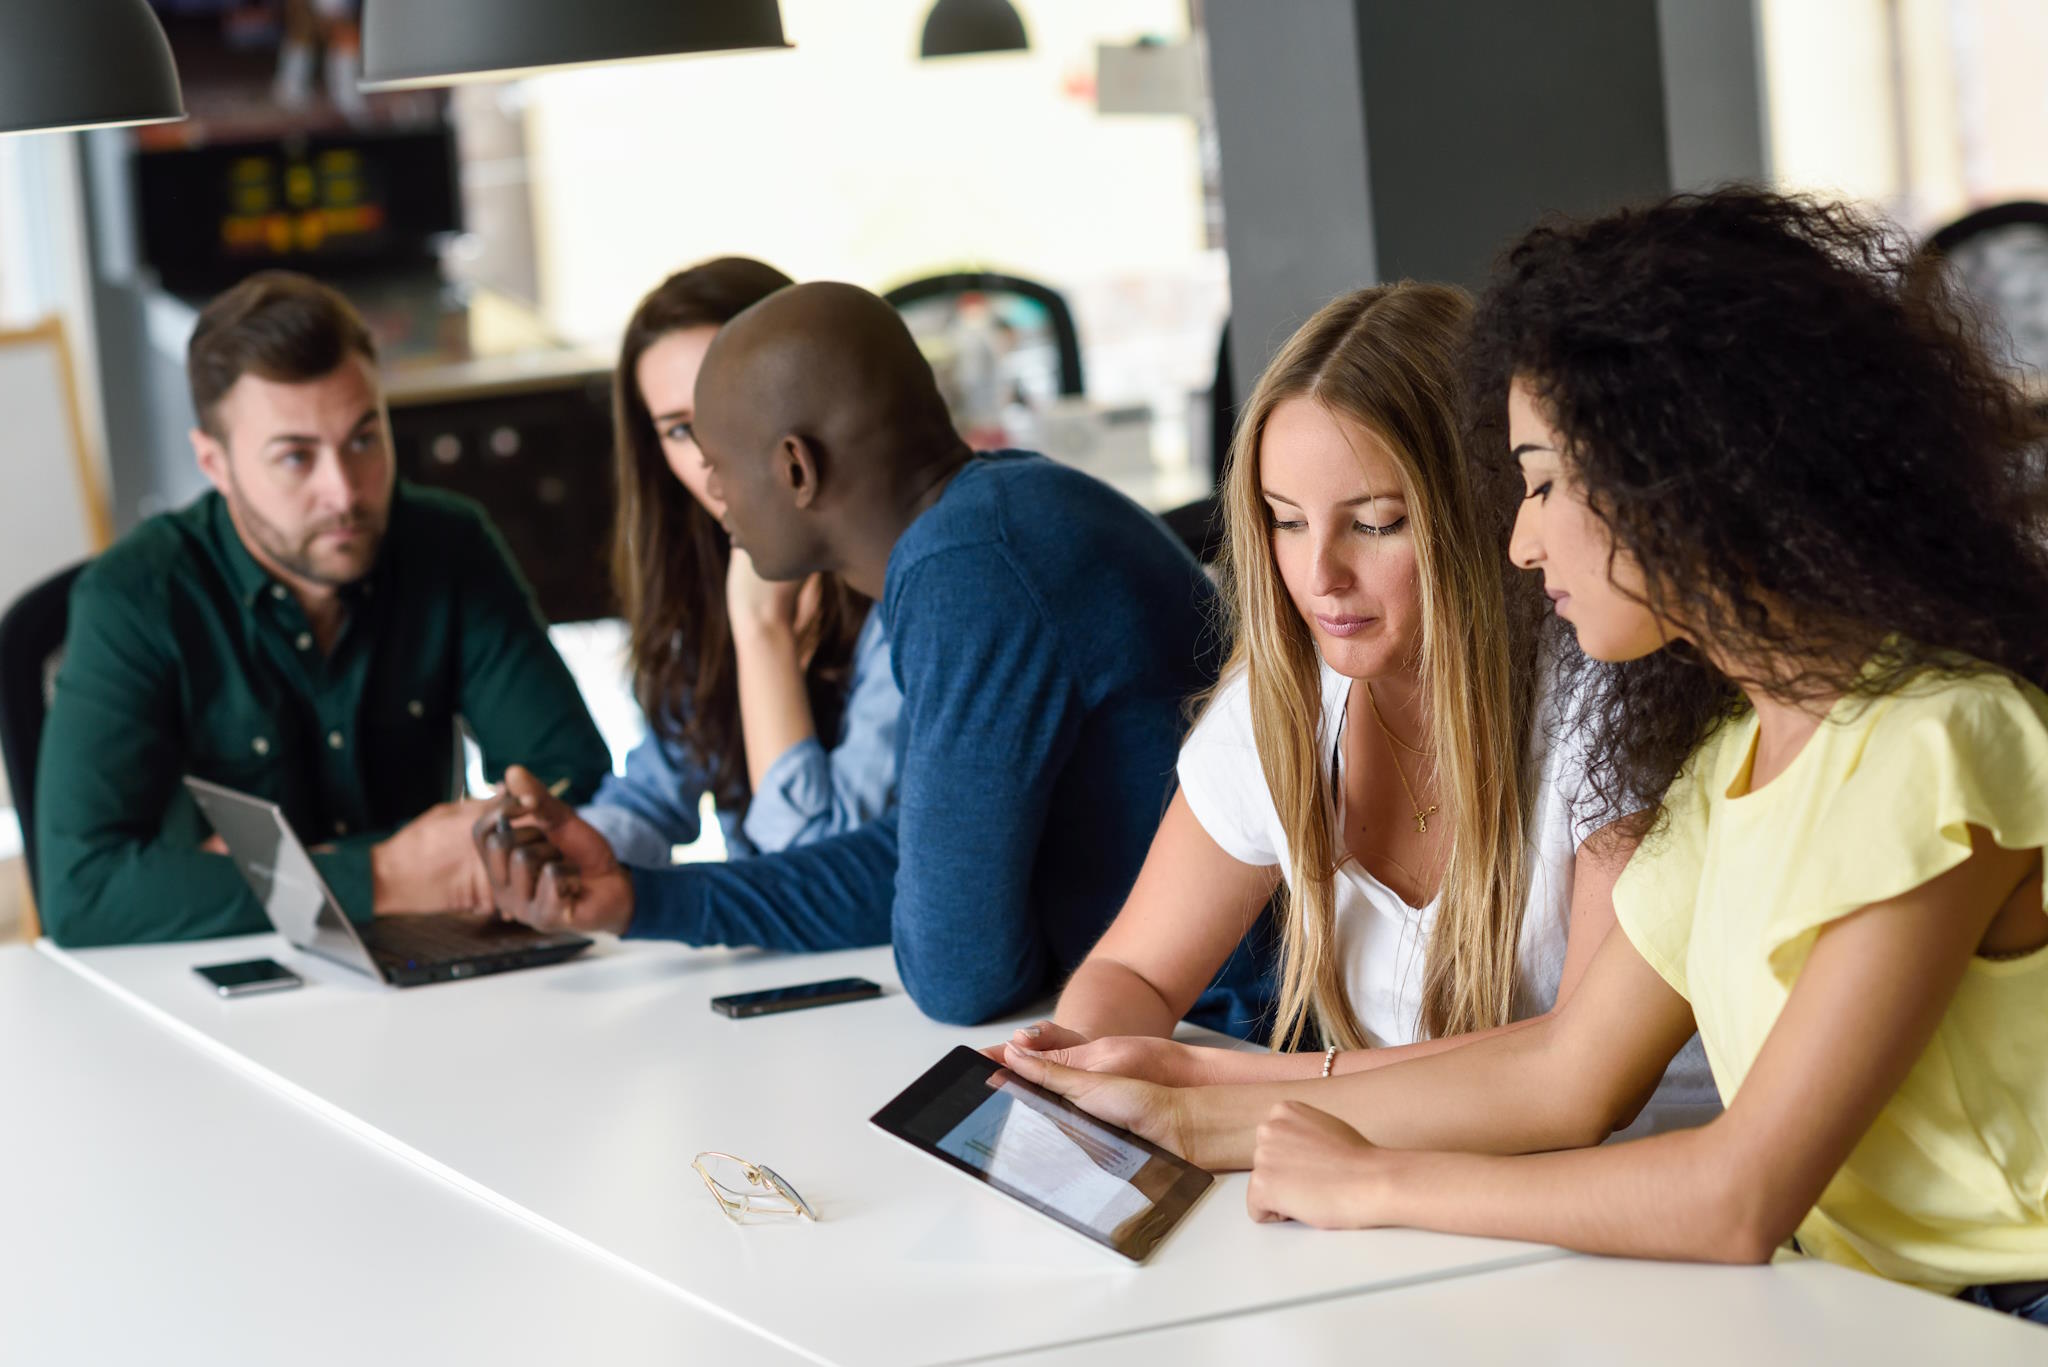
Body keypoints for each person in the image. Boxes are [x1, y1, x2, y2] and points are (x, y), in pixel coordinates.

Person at [1001, 191, 2048, 1323]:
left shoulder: (1935, 741)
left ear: (1681, 479)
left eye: (1542, 482)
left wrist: (1372, 1180)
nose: (1517, 536)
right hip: (1848, 1302)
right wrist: (1196, 1083)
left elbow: (1736, 1191)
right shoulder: (1730, 756)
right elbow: (1565, 1071)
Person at [1001, 283, 1712, 1137]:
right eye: (1287, 521)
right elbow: (1135, 974)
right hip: (1418, 1204)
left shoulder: (1606, 704)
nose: (1319, 575)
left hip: (1631, 1209)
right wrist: (1075, 1075)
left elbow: (1569, 1075)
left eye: (1375, 524)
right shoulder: (1280, 708)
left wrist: (1214, 1082)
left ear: (1483, 508)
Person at [475, 281, 1272, 1032]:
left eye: (717, 463)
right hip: (1180, 1025)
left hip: (1240, 1039)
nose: (714, 496)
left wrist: (997, 912)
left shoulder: (969, 567)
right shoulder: (997, 514)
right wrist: (637, 897)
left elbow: (959, 975)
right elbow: (915, 861)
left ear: (796, 467)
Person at [36, 270, 610, 946]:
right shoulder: (136, 594)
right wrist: (387, 874)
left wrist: (252, 874)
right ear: (214, 464)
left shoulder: (450, 544)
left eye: (364, 440)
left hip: (441, 959)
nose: (344, 492)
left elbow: (578, 784)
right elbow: (82, 890)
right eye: (295, 458)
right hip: (233, 981)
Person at [579, 257, 899, 868]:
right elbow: (652, 799)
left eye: (728, 413)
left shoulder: (905, 589)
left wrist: (762, 631)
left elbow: (817, 870)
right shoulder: (707, 581)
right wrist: (552, 850)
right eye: (678, 430)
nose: (708, 458)